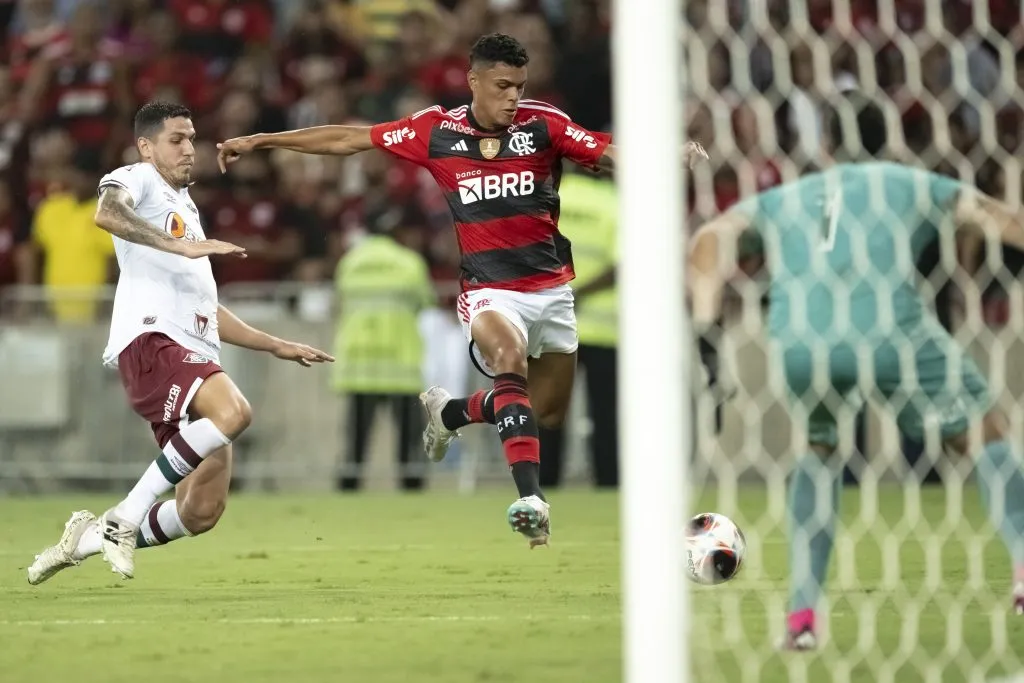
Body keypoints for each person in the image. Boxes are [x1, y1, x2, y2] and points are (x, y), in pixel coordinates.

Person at [217, 33, 706, 547]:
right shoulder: (436, 130)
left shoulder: (543, 124)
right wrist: (264, 140)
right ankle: (531, 500)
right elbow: (349, 139)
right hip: (489, 290)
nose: (513, 96)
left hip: (552, 289)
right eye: (501, 85)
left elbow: (606, 155)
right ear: (474, 82)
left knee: (546, 410)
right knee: (508, 358)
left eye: (519, 85)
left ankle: (451, 412)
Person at [689, 92, 1024, 649]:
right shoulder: (907, 180)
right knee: (984, 429)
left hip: (798, 342)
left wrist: (705, 325)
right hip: (889, 332)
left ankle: (801, 619)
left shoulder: (782, 197)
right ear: (887, 133)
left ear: (823, 143)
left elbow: (709, 239)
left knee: (819, 450)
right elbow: (995, 217)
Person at [27, 101, 334, 584]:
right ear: (146, 147)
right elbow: (106, 213)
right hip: (152, 339)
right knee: (233, 413)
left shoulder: (186, 207)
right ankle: (126, 517)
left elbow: (206, 309)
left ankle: (85, 538)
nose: (190, 148)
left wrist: (274, 344)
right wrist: (181, 246)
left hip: (192, 348)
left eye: (192, 138)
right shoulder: (138, 177)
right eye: (177, 139)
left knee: (201, 511)